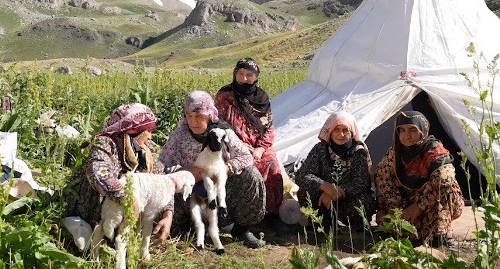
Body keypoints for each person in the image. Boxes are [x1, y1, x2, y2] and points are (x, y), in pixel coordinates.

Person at [159, 90, 267, 249]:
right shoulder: (179, 135)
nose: (193, 122)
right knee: (166, 182)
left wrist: (225, 169)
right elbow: (163, 164)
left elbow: (246, 156)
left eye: (199, 117)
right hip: (191, 191)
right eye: (189, 116)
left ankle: (241, 230)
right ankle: (184, 226)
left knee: (251, 175)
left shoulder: (222, 132)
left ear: (209, 115)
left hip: (219, 189)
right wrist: (185, 171)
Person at [63, 103, 172, 244]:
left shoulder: (146, 150)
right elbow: (98, 172)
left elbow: (162, 180)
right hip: (93, 208)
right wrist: (128, 199)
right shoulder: (105, 144)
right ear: (135, 130)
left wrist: (167, 214)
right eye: (148, 131)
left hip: (121, 212)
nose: (150, 137)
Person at [215, 58, 287, 232]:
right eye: (241, 74)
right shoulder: (224, 96)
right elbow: (218, 123)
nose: (245, 78)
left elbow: (268, 127)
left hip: (259, 147)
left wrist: (261, 148)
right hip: (232, 145)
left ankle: (271, 214)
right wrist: (240, 145)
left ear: (256, 77)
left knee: (272, 165)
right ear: (235, 75)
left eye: (249, 75)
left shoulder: (261, 98)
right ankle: (246, 217)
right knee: (247, 170)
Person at [374, 109, 464, 246]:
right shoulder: (395, 154)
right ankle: (409, 229)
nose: (406, 136)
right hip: (406, 206)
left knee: (446, 187)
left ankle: (439, 234)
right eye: (402, 130)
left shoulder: (435, 152)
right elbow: (384, 181)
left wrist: (417, 207)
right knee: (391, 223)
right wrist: (401, 212)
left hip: (429, 204)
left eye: (412, 130)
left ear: (422, 131)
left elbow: (445, 180)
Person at [295, 111, 376, 229]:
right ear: (330, 131)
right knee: (304, 191)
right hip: (323, 200)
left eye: (345, 130)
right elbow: (302, 175)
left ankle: (356, 225)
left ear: (352, 132)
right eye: (337, 130)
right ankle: (323, 221)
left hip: (347, 201)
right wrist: (324, 186)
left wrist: (337, 192)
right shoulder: (320, 149)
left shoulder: (358, 152)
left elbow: (361, 182)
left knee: (366, 201)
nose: (341, 134)